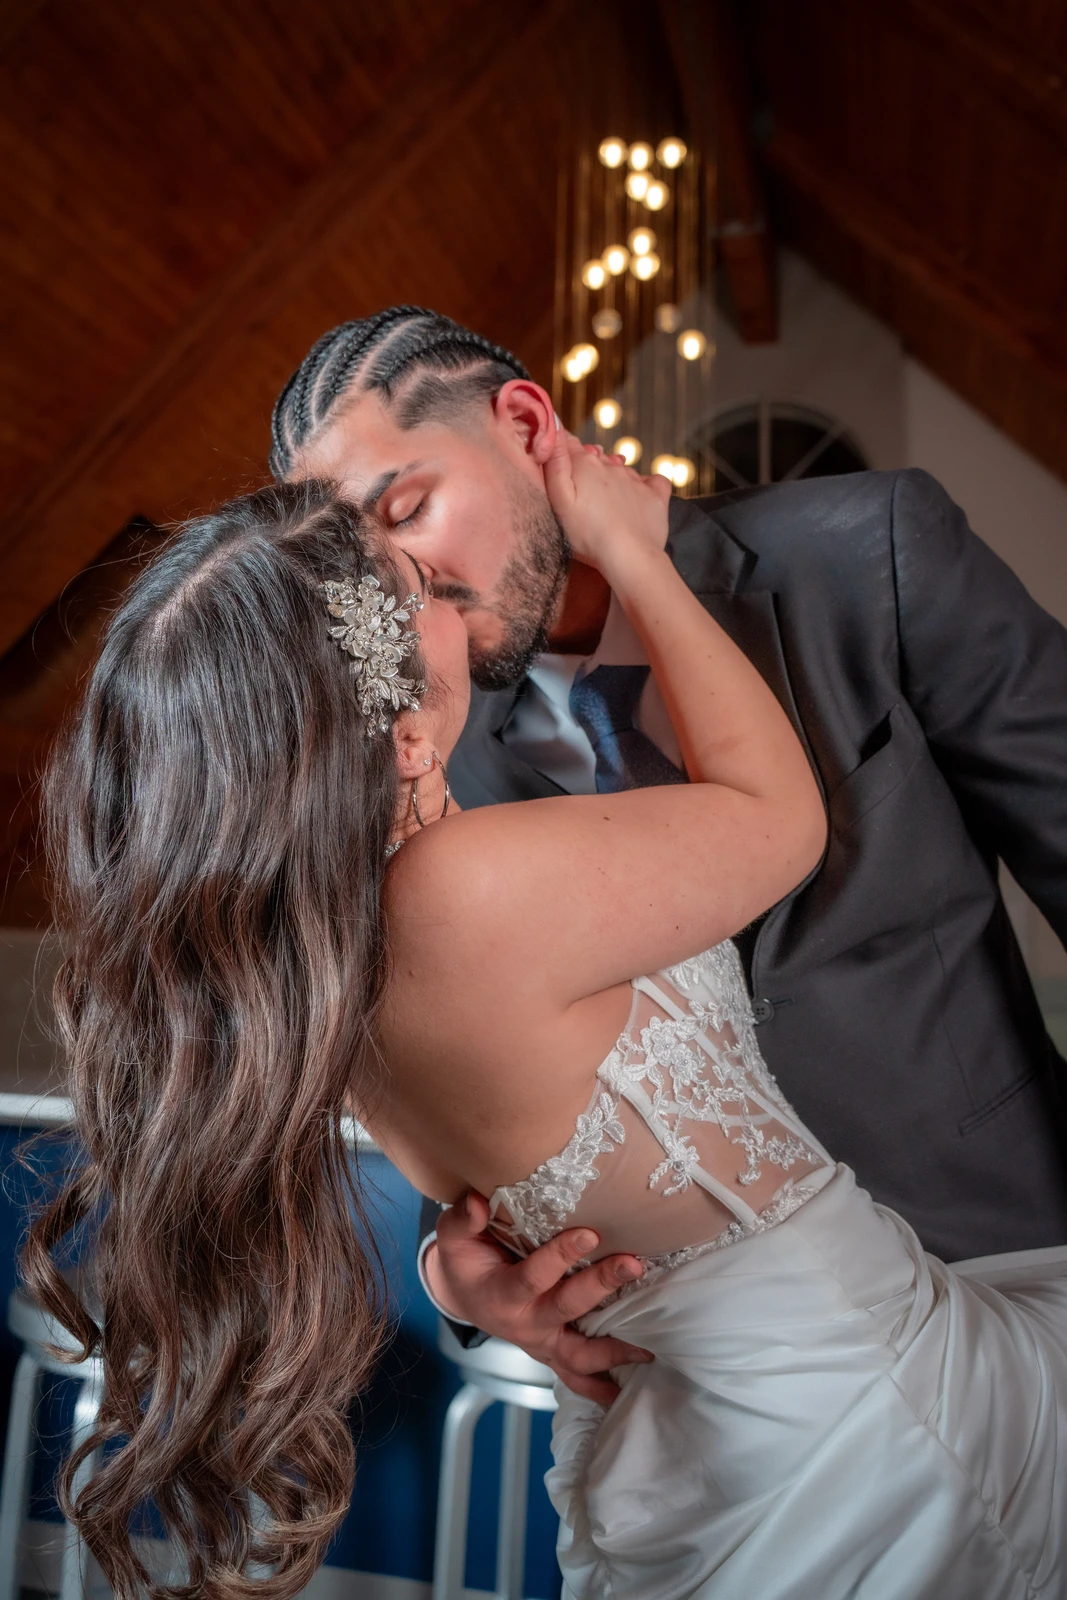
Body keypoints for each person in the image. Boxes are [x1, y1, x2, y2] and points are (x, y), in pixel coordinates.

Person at [27, 458, 1067, 1599]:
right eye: (414, 589)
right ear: (407, 739)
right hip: (851, 1403)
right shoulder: (462, 892)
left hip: (679, 1439)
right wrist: (633, 551)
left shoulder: (306, 948)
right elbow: (777, 821)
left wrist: (448, 1266)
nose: (445, 593)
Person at [269, 306, 1067, 1403]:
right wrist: (456, 1273)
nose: (408, 585)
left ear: (524, 423)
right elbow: (468, 1053)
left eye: (408, 507)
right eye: (365, 567)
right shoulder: (431, 761)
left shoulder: (868, 551)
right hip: (714, 1374)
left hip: (1001, 1253)